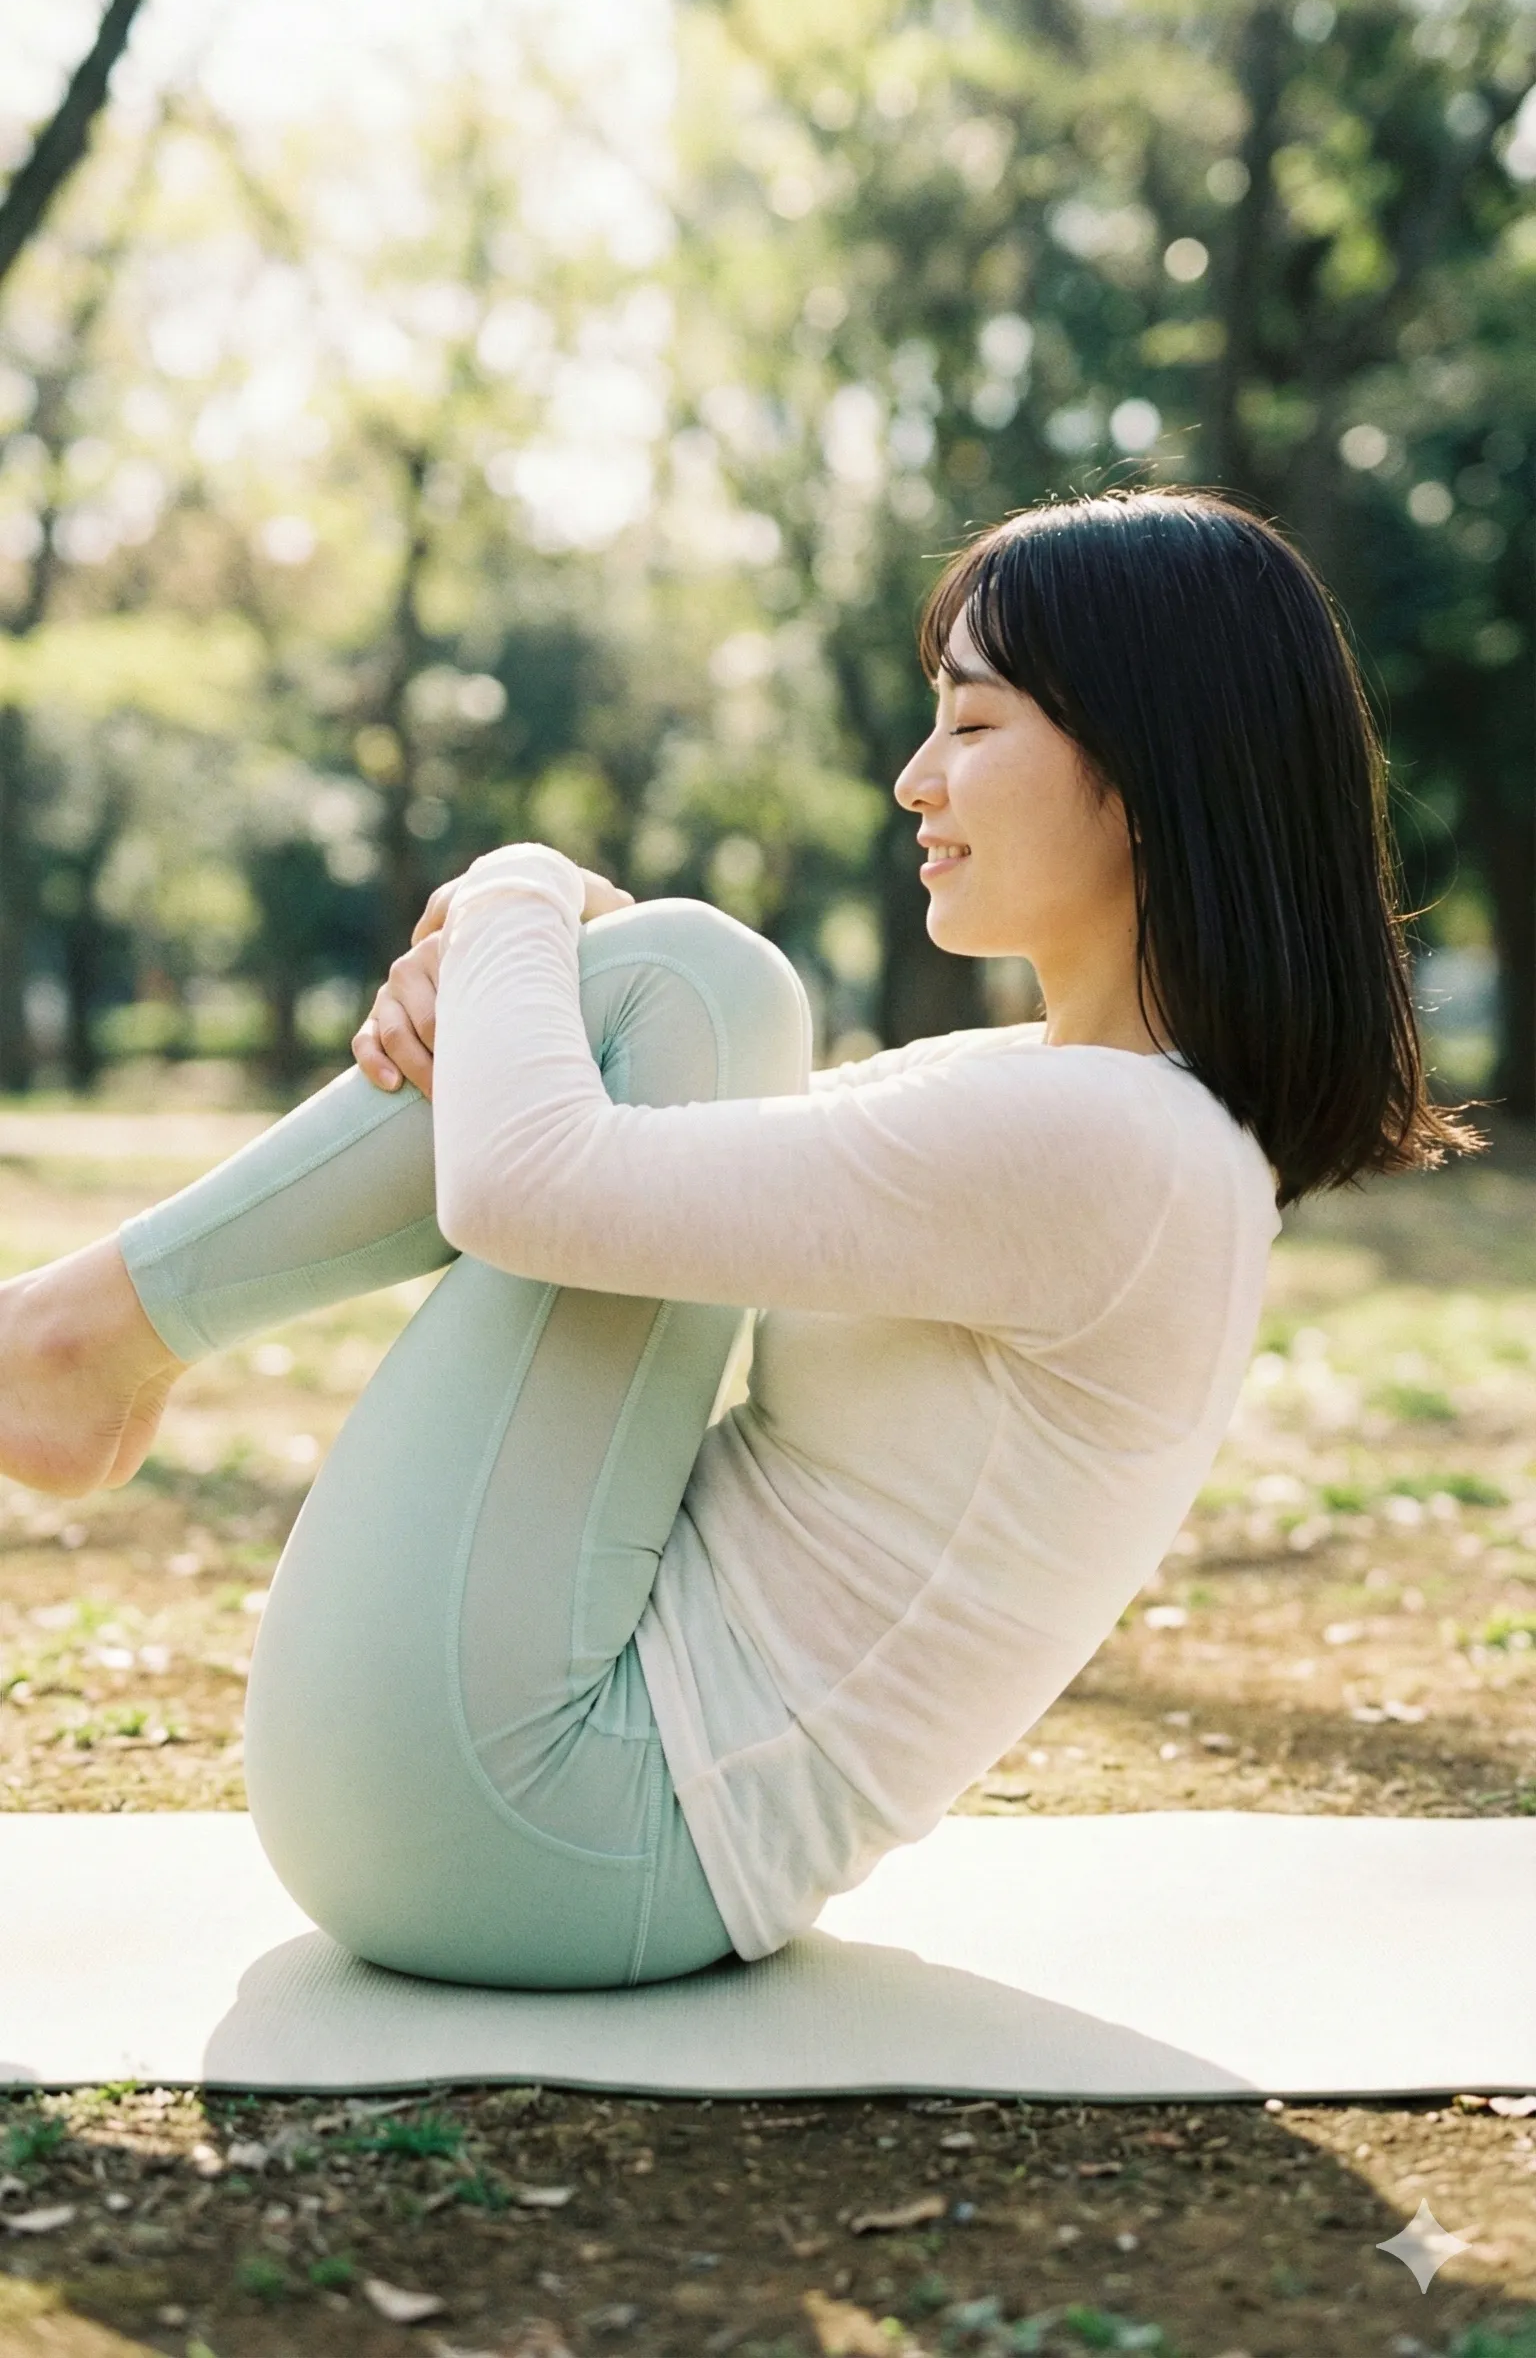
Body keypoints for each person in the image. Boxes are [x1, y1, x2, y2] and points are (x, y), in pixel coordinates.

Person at [0, 491, 1474, 1989]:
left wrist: (514, 885)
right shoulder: (1069, 1107)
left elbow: (522, 1183)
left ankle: (65, 1337)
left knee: (705, 978)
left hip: (539, 1826)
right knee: (682, 983)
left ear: (1155, 771)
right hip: (523, 1819)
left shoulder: (1118, 1150)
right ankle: (69, 1336)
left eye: (973, 726)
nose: (914, 780)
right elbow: (611, 1115)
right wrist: (536, 964)